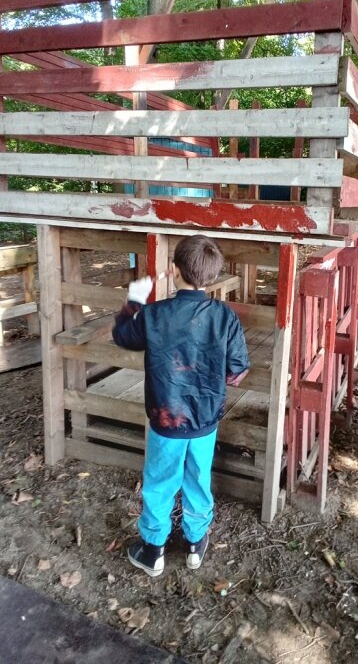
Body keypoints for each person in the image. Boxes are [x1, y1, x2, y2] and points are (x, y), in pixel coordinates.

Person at [113, 235, 249, 577]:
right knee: (198, 477)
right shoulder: (224, 317)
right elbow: (238, 371)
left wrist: (134, 300)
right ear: (212, 276)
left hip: (165, 418)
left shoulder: (154, 314)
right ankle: (194, 543)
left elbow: (123, 337)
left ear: (175, 270)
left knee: (159, 479)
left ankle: (153, 549)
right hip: (205, 418)